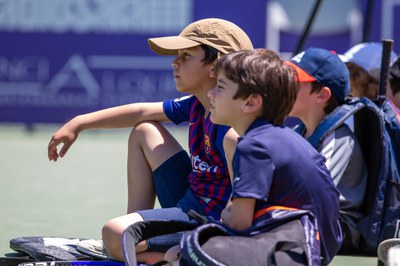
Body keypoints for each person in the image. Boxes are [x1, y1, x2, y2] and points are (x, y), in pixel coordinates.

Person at [47, 18, 253, 262]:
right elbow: (141, 112)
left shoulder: (232, 126)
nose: (174, 62)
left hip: (208, 223)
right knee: (144, 131)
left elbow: (236, 216)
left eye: (186, 55)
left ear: (215, 66)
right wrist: (79, 123)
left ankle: (147, 252)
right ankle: (135, 235)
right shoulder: (197, 104)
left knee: (116, 233)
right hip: (189, 202)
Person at [207, 48, 342, 265]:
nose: (210, 94)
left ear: (251, 103)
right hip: (310, 247)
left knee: (174, 253)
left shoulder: (254, 145)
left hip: (293, 252)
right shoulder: (280, 136)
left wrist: (226, 213)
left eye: (220, 87)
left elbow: (239, 223)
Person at [287, 47, 368, 253]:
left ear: (322, 95)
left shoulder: (339, 137)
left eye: (294, 82)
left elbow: (316, 193)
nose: (284, 86)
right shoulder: (299, 131)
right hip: (307, 221)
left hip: (336, 231)